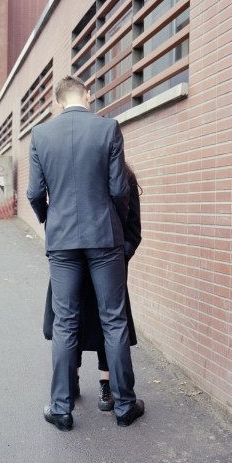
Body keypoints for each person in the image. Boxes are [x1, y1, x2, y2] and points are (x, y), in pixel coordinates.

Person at [27, 75, 144, 432]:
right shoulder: (108, 129)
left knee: (65, 322)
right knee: (114, 319)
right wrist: (114, 226)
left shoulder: (40, 135)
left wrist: (53, 220)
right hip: (104, 237)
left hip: (62, 241)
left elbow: (34, 193)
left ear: (57, 101)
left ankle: (61, 408)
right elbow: (118, 188)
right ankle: (124, 405)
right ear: (88, 95)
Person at [43, 164, 142, 411]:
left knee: (86, 323)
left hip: (90, 262)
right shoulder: (110, 174)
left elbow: (133, 226)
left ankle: (92, 386)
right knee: (96, 323)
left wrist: (120, 257)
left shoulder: (117, 175)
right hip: (89, 260)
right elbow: (133, 227)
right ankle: (85, 384)